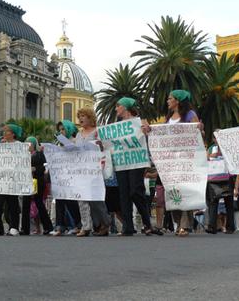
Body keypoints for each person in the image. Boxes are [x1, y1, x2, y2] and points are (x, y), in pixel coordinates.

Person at [112, 97, 159, 236]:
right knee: (124, 193)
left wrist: (148, 131)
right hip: (122, 162)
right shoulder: (117, 126)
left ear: (125, 107)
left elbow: (150, 137)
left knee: (135, 191)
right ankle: (128, 226)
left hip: (137, 161)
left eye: (118, 106)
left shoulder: (140, 122)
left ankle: (147, 222)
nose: (116, 109)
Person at [166, 90, 202, 237]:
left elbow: (198, 134)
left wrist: (200, 129)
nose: (167, 101)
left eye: (170, 98)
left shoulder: (190, 115)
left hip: (186, 159)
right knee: (173, 191)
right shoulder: (168, 117)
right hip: (171, 160)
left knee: (185, 191)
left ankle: (185, 225)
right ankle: (178, 222)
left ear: (178, 101)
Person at [74, 108, 111, 237]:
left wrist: (101, 145)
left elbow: (106, 147)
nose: (81, 118)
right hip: (81, 170)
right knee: (82, 199)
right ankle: (86, 226)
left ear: (90, 118)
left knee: (95, 199)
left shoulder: (97, 132)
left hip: (94, 170)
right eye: (80, 116)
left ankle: (104, 223)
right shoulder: (79, 134)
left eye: (83, 116)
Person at [51, 120, 82, 236]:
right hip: (60, 176)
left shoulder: (75, 142)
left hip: (72, 176)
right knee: (59, 200)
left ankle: (79, 224)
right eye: (59, 130)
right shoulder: (58, 144)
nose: (61, 132)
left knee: (70, 201)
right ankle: (60, 226)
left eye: (63, 129)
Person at [21, 136, 54, 235]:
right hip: (26, 182)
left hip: (37, 182)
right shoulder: (23, 155)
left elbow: (44, 168)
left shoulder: (39, 154)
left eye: (30, 144)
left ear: (34, 145)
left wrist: (35, 169)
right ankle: (25, 228)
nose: (28, 146)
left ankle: (48, 227)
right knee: (25, 204)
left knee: (39, 203)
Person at [206, 134, 235, 234]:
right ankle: (212, 226)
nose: (217, 139)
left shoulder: (229, 148)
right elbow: (205, 159)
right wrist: (211, 156)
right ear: (214, 139)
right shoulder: (211, 149)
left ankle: (230, 227)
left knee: (229, 203)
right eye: (215, 137)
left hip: (227, 178)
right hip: (214, 179)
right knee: (213, 203)